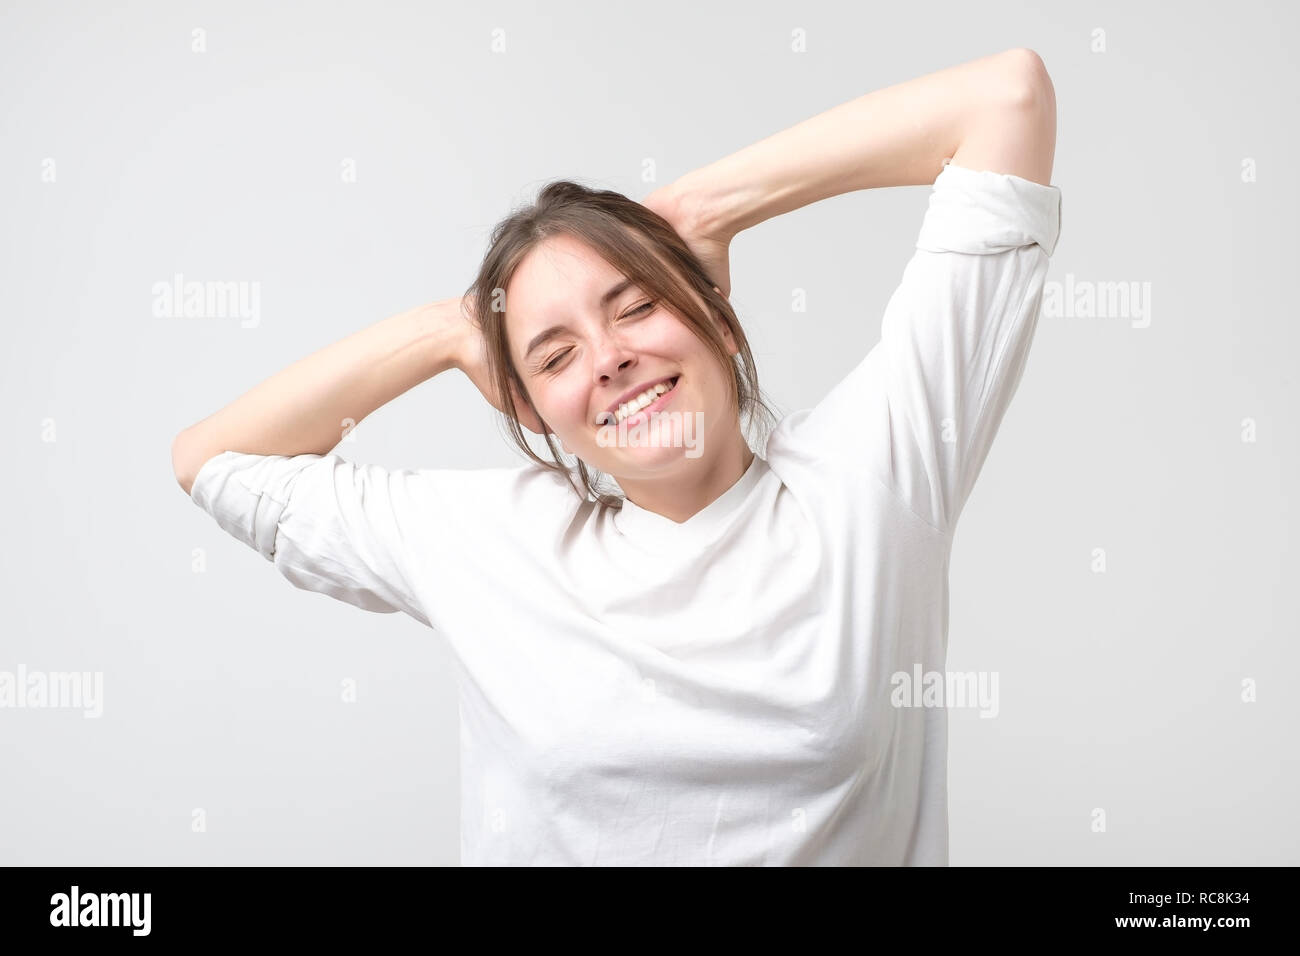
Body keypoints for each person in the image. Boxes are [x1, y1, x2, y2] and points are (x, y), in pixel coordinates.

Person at [171, 48, 1061, 865]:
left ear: (715, 314)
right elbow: (212, 459)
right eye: (554, 356)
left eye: (636, 307)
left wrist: (706, 206)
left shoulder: (873, 479)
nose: (608, 358)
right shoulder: (498, 542)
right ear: (533, 408)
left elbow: (1005, 99)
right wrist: (445, 331)